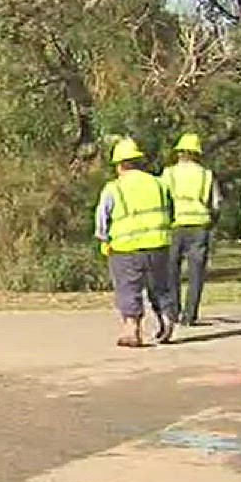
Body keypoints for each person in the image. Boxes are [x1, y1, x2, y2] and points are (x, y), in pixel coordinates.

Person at [95, 138, 177, 347]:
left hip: (125, 249)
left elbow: (102, 218)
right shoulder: (159, 184)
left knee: (128, 288)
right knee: (160, 287)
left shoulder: (114, 188)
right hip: (158, 245)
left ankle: (132, 329)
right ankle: (166, 319)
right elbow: (171, 212)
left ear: (119, 164)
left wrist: (104, 239)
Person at [160, 132, 222, 326]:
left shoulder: (169, 173)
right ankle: (190, 316)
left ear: (180, 153)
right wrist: (212, 221)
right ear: (197, 154)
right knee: (196, 273)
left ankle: (173, 312)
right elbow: (217, 202)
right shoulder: (206, 174)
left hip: (176, 225)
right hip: (200, 226)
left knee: (171, 271)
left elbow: (162, 199)